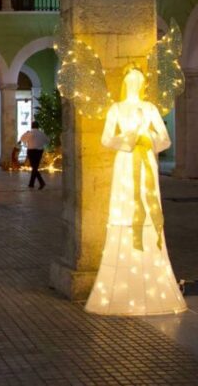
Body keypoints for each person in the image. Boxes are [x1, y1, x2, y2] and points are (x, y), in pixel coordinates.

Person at [85, 66, 185, 315]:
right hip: (126, 162)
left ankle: (151, 270)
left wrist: (148, 137)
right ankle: (121, 271)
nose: (133, 82)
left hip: (147, 162)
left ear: (142, 83)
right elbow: (107, 139)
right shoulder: (116, 109)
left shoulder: (150, 108)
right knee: (126, 208)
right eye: (129, 78)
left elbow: (164, 139)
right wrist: (128, 138)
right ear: (124, 81)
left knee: (148, 206)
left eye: (138, 79)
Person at [19, 121, 49, 189]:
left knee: (34, 167)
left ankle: (41, 182)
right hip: (39, 151)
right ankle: (31, 183)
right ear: (38, 126)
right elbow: (47, 141)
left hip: (31, 151)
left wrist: (26, 133)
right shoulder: (42, 133)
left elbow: (22, 139)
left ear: (32, 126)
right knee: (35, 167)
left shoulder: (29, 133)